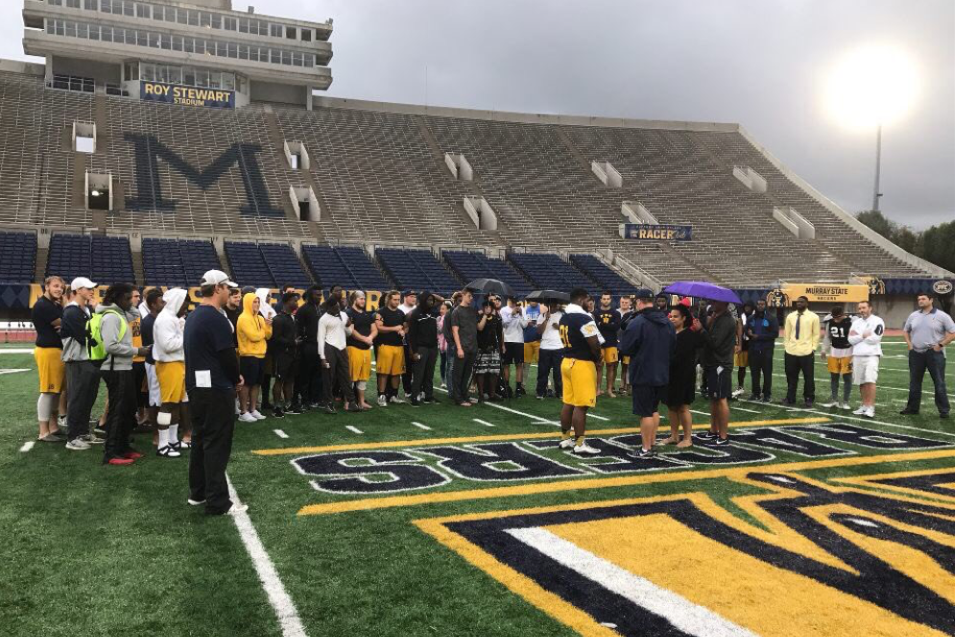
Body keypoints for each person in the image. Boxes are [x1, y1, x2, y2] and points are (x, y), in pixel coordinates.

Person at [185, 270, 246, 516]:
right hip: (216, 388)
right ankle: (218, 501)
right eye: (227, 287)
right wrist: (236, 378)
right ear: (218, 288)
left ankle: (198, 492)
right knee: (217, 445)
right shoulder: (216, 319)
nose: (230, 292)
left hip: (197, 387)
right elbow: (227, 355)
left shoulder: (194, 316)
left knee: (200, 439)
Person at [96, 283, 151, 466]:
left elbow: (135, 314)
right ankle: (111, 452)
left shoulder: (120, 313)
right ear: (117, 298)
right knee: (118, 411)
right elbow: (110, 346)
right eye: (128, 298)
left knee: (128, 409)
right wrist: (137, 351)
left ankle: (123, 447)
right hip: (115, 369)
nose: (131, 301)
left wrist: (128, 304)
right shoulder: (111, 317)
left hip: (123, 367)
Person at [620, 289, 676, 457]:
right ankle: (651, 443)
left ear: (639, 302)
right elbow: (673, 346)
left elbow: (626, 348)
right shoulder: (667, 322)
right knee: (653, 409)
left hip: (643, 372)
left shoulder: (638, 322)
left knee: (645, 413)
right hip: (662, 372)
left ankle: (646, 448)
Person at [557, 288, 603, 455]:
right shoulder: (583, 318)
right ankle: (580, 443)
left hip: (567, 361)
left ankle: (565, 438)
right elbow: (594, 343)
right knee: (581, 406)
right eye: (588, 300)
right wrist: (598, 358)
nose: (589, 303)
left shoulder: (564, 317)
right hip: (581, 363)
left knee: (568, 402)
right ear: (581, 299)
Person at [61, 277, 102, 450]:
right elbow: (85, 337)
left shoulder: (86, 309)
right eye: (88, 288)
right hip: (77, 360)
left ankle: (83, 432)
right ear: (78, 290)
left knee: (88, 398)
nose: (92, 291)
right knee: (77, 399)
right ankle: (72, 437)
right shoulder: (72, 311)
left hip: (89, 359)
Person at [901, 293, 955, 418]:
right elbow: (906, 331)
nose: (920, 301)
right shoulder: (913, 315)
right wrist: (909, 344)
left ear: (931, 300)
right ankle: (912, 408)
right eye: (919, 299)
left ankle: (944, 410)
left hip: (934, 353)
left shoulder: (942, 315)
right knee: (914, 382)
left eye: (923, 299)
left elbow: (953, 332)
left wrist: (940, 345)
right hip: (916, 353)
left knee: (939, 382)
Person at [660, 304, 705, 448]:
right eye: (671, 316)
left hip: (683, 376)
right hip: (670, 374)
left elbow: (680, 357)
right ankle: (674, 436)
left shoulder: (688, 335)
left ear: (684, 318)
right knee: (671, 406)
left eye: (676, 316)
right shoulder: (670, 333)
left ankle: (687, 438)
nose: (672, 319)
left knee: (683, 407)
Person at [153, 288, 189, 457]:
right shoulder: (165, 319)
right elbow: (167, 345)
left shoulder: (172, 318)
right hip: (169, 364)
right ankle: (162, 445)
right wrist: (186, 337)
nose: (185, 310)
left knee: (176, 403)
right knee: (167, 404)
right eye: (184, 306)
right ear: (177, 303)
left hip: (177, 363)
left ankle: (173, 440)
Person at [697, 300, 736, 445]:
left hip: (721, 364)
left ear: (724, 303)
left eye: (716, 302)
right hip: (714, 363)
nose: (712, 303)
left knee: (721, 398)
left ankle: (723, 436)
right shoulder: (717, 317)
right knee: (714, 399)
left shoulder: (726, 320)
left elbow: (715, 343)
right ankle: (714, 430)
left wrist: (702, 330)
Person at [32, 276, 66, 443]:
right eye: (55, 286)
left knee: (56, 391)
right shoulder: (44, 305)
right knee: (48, 391)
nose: (59, 289)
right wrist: (66, 320)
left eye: (61, 287)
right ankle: (43, 431)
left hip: (56, 351)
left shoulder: (54, 304)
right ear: (46, 286)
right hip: (49, 351)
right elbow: (65, 324)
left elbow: (65, 324)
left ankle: (53, 427)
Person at [317, 294, 360, 414]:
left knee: (345, 376)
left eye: (338, 306)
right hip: (329, 347)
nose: (338, 308)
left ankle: (351, 402)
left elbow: (348, 332)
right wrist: (322, 357)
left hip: (342, 348)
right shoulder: (323, 319)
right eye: (335, 307)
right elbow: (320, 339)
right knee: (329, 377)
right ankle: (328, 404)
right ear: (329, 307)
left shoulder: (343, 315)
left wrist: (348, 327)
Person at [236, 292, 272, 422]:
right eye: (254, 302)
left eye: (258, 302)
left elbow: (268, 336)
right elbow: (254, 336)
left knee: (257, 383)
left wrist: (268, 326)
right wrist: (263, 330)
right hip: (248, 355)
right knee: (246, 384)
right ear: (247, 303)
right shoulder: (243, 318)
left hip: (261, 355)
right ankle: (243, 412)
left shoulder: (260, 318)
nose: (256, 304)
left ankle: (253, 409)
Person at [848, 300, 884, 419]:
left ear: (870, 308)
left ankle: (871, 407)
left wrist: (858, 336)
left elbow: (875, 339)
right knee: (861, 382)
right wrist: (863, 335)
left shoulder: (878, 321)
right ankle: (864, 405)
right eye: (859, 308)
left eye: (864, 308)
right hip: (857, 355)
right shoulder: (856, 322)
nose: (861, 310)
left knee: (870, 380)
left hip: (871, 355)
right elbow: (850, 340)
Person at [407, 291, 443, 406]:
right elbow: (411, 335)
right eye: (428, 300)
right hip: (421, 348)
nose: (431, 302)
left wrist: (430, 294)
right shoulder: (415, 314)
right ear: (423, 300)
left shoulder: (433, 312)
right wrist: (414, 352)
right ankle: (414, 397)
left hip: (433, 348)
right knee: (419, 374)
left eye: (432, 300)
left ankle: (428, 396)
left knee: (429, 373)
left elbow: (442, 300)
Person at [782, 296, 819, 407]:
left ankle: (809, 398)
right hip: (791, 352)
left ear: (807, 303)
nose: (799, 303)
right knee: (791, 377)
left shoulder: (814, 317)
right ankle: (790, 398)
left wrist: (813, 348)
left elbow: (816, 334)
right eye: (798, 302)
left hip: (806, 352)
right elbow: (787, 333)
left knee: (808, 377)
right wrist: (787, 346)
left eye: (802, 302)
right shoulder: (790, 316)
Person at [270, 291, 301, 418]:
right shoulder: (278, 319)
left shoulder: (292, 318)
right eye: (295, 300)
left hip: (292, 354)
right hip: (281, 355)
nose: (297, 303)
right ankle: (276, 407)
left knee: (290, 380)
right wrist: (292, 342)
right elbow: (276, 338)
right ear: (287, 302)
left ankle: (288, 405)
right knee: (279, 380)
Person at [346, 291, 378, 410]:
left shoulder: (367, 314)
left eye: (364, 299)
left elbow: (374, 329)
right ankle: (348, 402)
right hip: (353, 348)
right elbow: (351, 331)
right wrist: (365, 339)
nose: (363, 301)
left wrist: (370, 338)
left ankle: (361, 402)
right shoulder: (349, 313)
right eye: (360, 299)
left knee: (363, 377)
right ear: (354, 299)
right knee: (351, 377)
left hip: (366, 349)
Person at [140, 288, 164, 446]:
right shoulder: (149, 321)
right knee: (155, 401)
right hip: (154, 363)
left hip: (161, 363)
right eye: (161, 302)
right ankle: (156, 433)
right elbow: (153, 346)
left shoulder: (159, 319)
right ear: (153, 304)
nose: (164, 304)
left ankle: (163, 430)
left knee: (162, 400)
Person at [375, 290, 408, 406]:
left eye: (398, 299)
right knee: (383, 372)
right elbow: (379, 328)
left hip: (398, 346)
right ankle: (381, 396)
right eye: (395, 299)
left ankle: (394, 395)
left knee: (396, 373)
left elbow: (406, 326)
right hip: (385, 345)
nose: (397, 302)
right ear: (389, 299)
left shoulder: (401, 313)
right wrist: (394, 328)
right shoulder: (381, 312)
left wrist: (404, 331)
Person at [450, 289, 481, 407]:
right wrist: (459, 348)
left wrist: (485, 314)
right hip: (463, 347)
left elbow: (479, 327)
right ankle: (458, 398)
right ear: (463, 295)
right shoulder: (456, 311)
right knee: (458, 374)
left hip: (473, 347)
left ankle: (464, 395)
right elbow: (455, 331)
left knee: (467, 374)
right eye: (469, 296)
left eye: (472, 296)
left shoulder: (473, 311)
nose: (471, 298)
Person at [294, 286, 322, 410]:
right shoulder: (303, 310)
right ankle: (305, 400)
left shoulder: (320, 309)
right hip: (307, 346)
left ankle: (314, 399)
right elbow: (298, 328)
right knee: (305, 374)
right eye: (317, 295)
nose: (320, 297)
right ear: (311, 295)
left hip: (319, 345)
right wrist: (301, 342)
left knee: (317, 374)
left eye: (320, 295)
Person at [745, 299, 779, 403]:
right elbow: (746, 330)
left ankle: (767, 394)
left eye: (762, 304)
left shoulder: (771, 318)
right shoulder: (751, 318)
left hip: (766, 350)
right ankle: (755, 393)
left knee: (767, 373)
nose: (760, 306)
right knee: (754, 373)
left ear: (765, 305)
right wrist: (748, 333)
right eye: (758, 304)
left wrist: (759, 336)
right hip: (753, 350)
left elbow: (775, 334)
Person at [821, 306, 853, 409]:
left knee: (847, 377)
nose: (836, 319)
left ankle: (845, 402)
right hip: (834, 352)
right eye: (834, 317)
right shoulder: (830, 322)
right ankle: (834, 400)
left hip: (848, 352)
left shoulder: (851, 321)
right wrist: (824, 349)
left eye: (838, 317)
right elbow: (827, 337)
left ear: (843, 314)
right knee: (834, 377)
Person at [475, 298, 504, 402]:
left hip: (494, 348)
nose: (487, 309)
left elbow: (500, 334)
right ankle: (481, 394)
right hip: (481, 348)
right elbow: (480, 328)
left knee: (494, 372)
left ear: (492, 308)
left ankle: (492, 393)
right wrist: (484, 316)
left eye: (489, 307)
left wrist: (501, 346)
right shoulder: (479, 317)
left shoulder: (496, 319)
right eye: (486, 307)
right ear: (483, 308)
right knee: (481, 371)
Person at [593, 291, 621, 398]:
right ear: (601, 300)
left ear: (611, 300)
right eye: (604, 299)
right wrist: (609, 325)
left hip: (611, 343)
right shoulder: (595, 313)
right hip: (599, 343)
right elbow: (595, 327)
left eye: (607, 299)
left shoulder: (616, 313)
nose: (606, 301)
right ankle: (598, 389)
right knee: (599, 366)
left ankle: (609, 390)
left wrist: (602, 324)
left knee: (611, 366)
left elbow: (616, 327)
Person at [500, 296, 528, 398]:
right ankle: (506, 387)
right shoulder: (503, 310)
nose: (514, 303)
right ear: (508, 300)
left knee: (519, 364)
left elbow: (524, 325)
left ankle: (518, 389)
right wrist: (511, 314)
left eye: (515, 301)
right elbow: (503, 324)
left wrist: (520, 315)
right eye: (512, 301)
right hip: (507, 340)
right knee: (506, 365)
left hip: (518, 340)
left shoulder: (522, 310)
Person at [535, 301, 564, 399]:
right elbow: (539, 331)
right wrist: (546, 319)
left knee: (558, 372)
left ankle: (560, 392)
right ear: (548, 305)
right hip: (545, 347)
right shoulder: (542, 315)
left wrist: (558, 327)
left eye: (554, 304)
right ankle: (540, 392)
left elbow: (567, 330)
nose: (553, 306)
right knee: (543, 371)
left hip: (558, 347)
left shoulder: (562, 315)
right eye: (551, 304)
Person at [398, 290, 417, 398]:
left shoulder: (417, 309)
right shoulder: (400, 309)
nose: (414, 298)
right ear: (405, 297)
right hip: (404, 340)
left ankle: (418, 388)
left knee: (417, 365)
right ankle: (407, 389)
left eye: (415, 296)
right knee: (407, 365)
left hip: (417, 340)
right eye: (411, 296)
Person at [734, 302, 754, 397]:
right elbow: (738, 331)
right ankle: (740, 386)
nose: (747, 308)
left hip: (754, 345)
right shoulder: (741, 317)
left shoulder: (755, 316)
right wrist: (739, 344)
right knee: (741, 367)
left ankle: (756, 389)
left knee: (755, 368)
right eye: (746, 307)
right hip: (744, 345)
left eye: (749, 307)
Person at [522, 300, 541, 389]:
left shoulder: (542, 309)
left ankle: (544, 386)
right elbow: (522, 324)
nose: (533, 302)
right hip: (527, 340)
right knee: (525, 364)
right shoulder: (525, 310)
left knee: (542, 365)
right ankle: (522, 386)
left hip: (539, 341)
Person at [618, 296, 635, 395]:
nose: (624, 304)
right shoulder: (617, 312)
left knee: (628, 365)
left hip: (629, 343)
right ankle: (621, 386)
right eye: (622, 302)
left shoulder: (633, 314)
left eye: (626, 302)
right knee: (616, 365)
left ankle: (628, 386)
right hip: (619, 343)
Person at [437, 301, 451, 389]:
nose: (441, 310)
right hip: (442, 344)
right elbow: (439, 331)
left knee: (450, 363)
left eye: (443, 309)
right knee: (443, 362)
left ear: (448, 310)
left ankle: (450, 381)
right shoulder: (439, 319)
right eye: (440, 309)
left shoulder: (452, 318)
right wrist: (439, 321)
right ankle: (443, 380)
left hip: (450, 344)